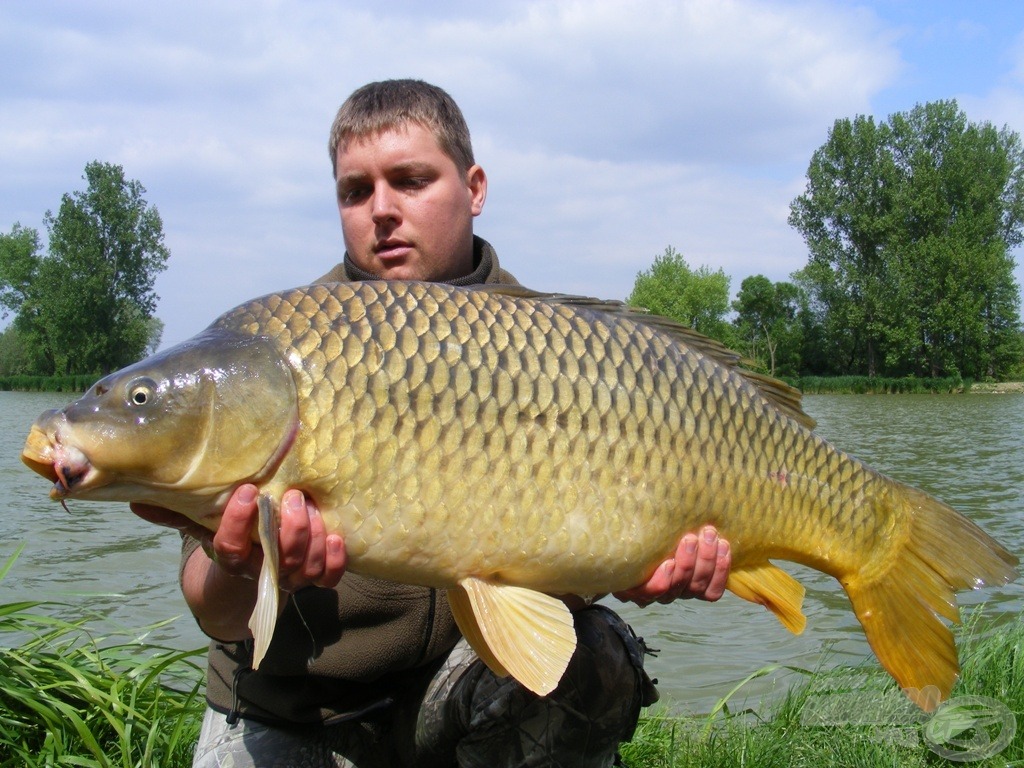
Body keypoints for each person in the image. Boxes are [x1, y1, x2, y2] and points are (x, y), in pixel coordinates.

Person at [133, 79, 732, 768]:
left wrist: (635, 563)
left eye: (411, 180)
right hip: (297, 709)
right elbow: (216, 612)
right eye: (355, 191)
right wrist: (238, 564)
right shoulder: (276, 349)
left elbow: (561, 568)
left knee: (595, 654)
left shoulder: (560, 347)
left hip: (459, 695)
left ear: (474, 188)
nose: (382, 211)